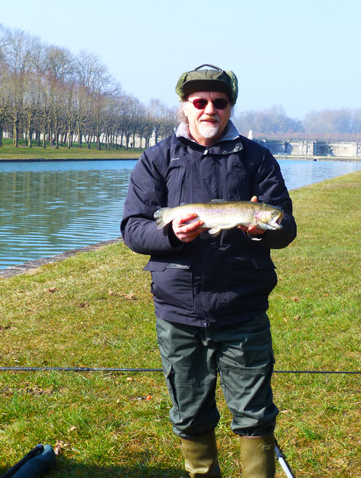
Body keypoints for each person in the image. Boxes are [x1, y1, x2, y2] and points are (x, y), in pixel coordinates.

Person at [120, 64, 297, 477]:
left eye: (219, 102)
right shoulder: (157, 159)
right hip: (178, 313)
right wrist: (172, 236)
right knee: (190, 414)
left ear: (230, 107)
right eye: (199, 102)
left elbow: (284, 225)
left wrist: (261, 231)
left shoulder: (258, 158)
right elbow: (133, 228)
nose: (209, 109)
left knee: (254, 415)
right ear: (185, 106)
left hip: (243, 311)